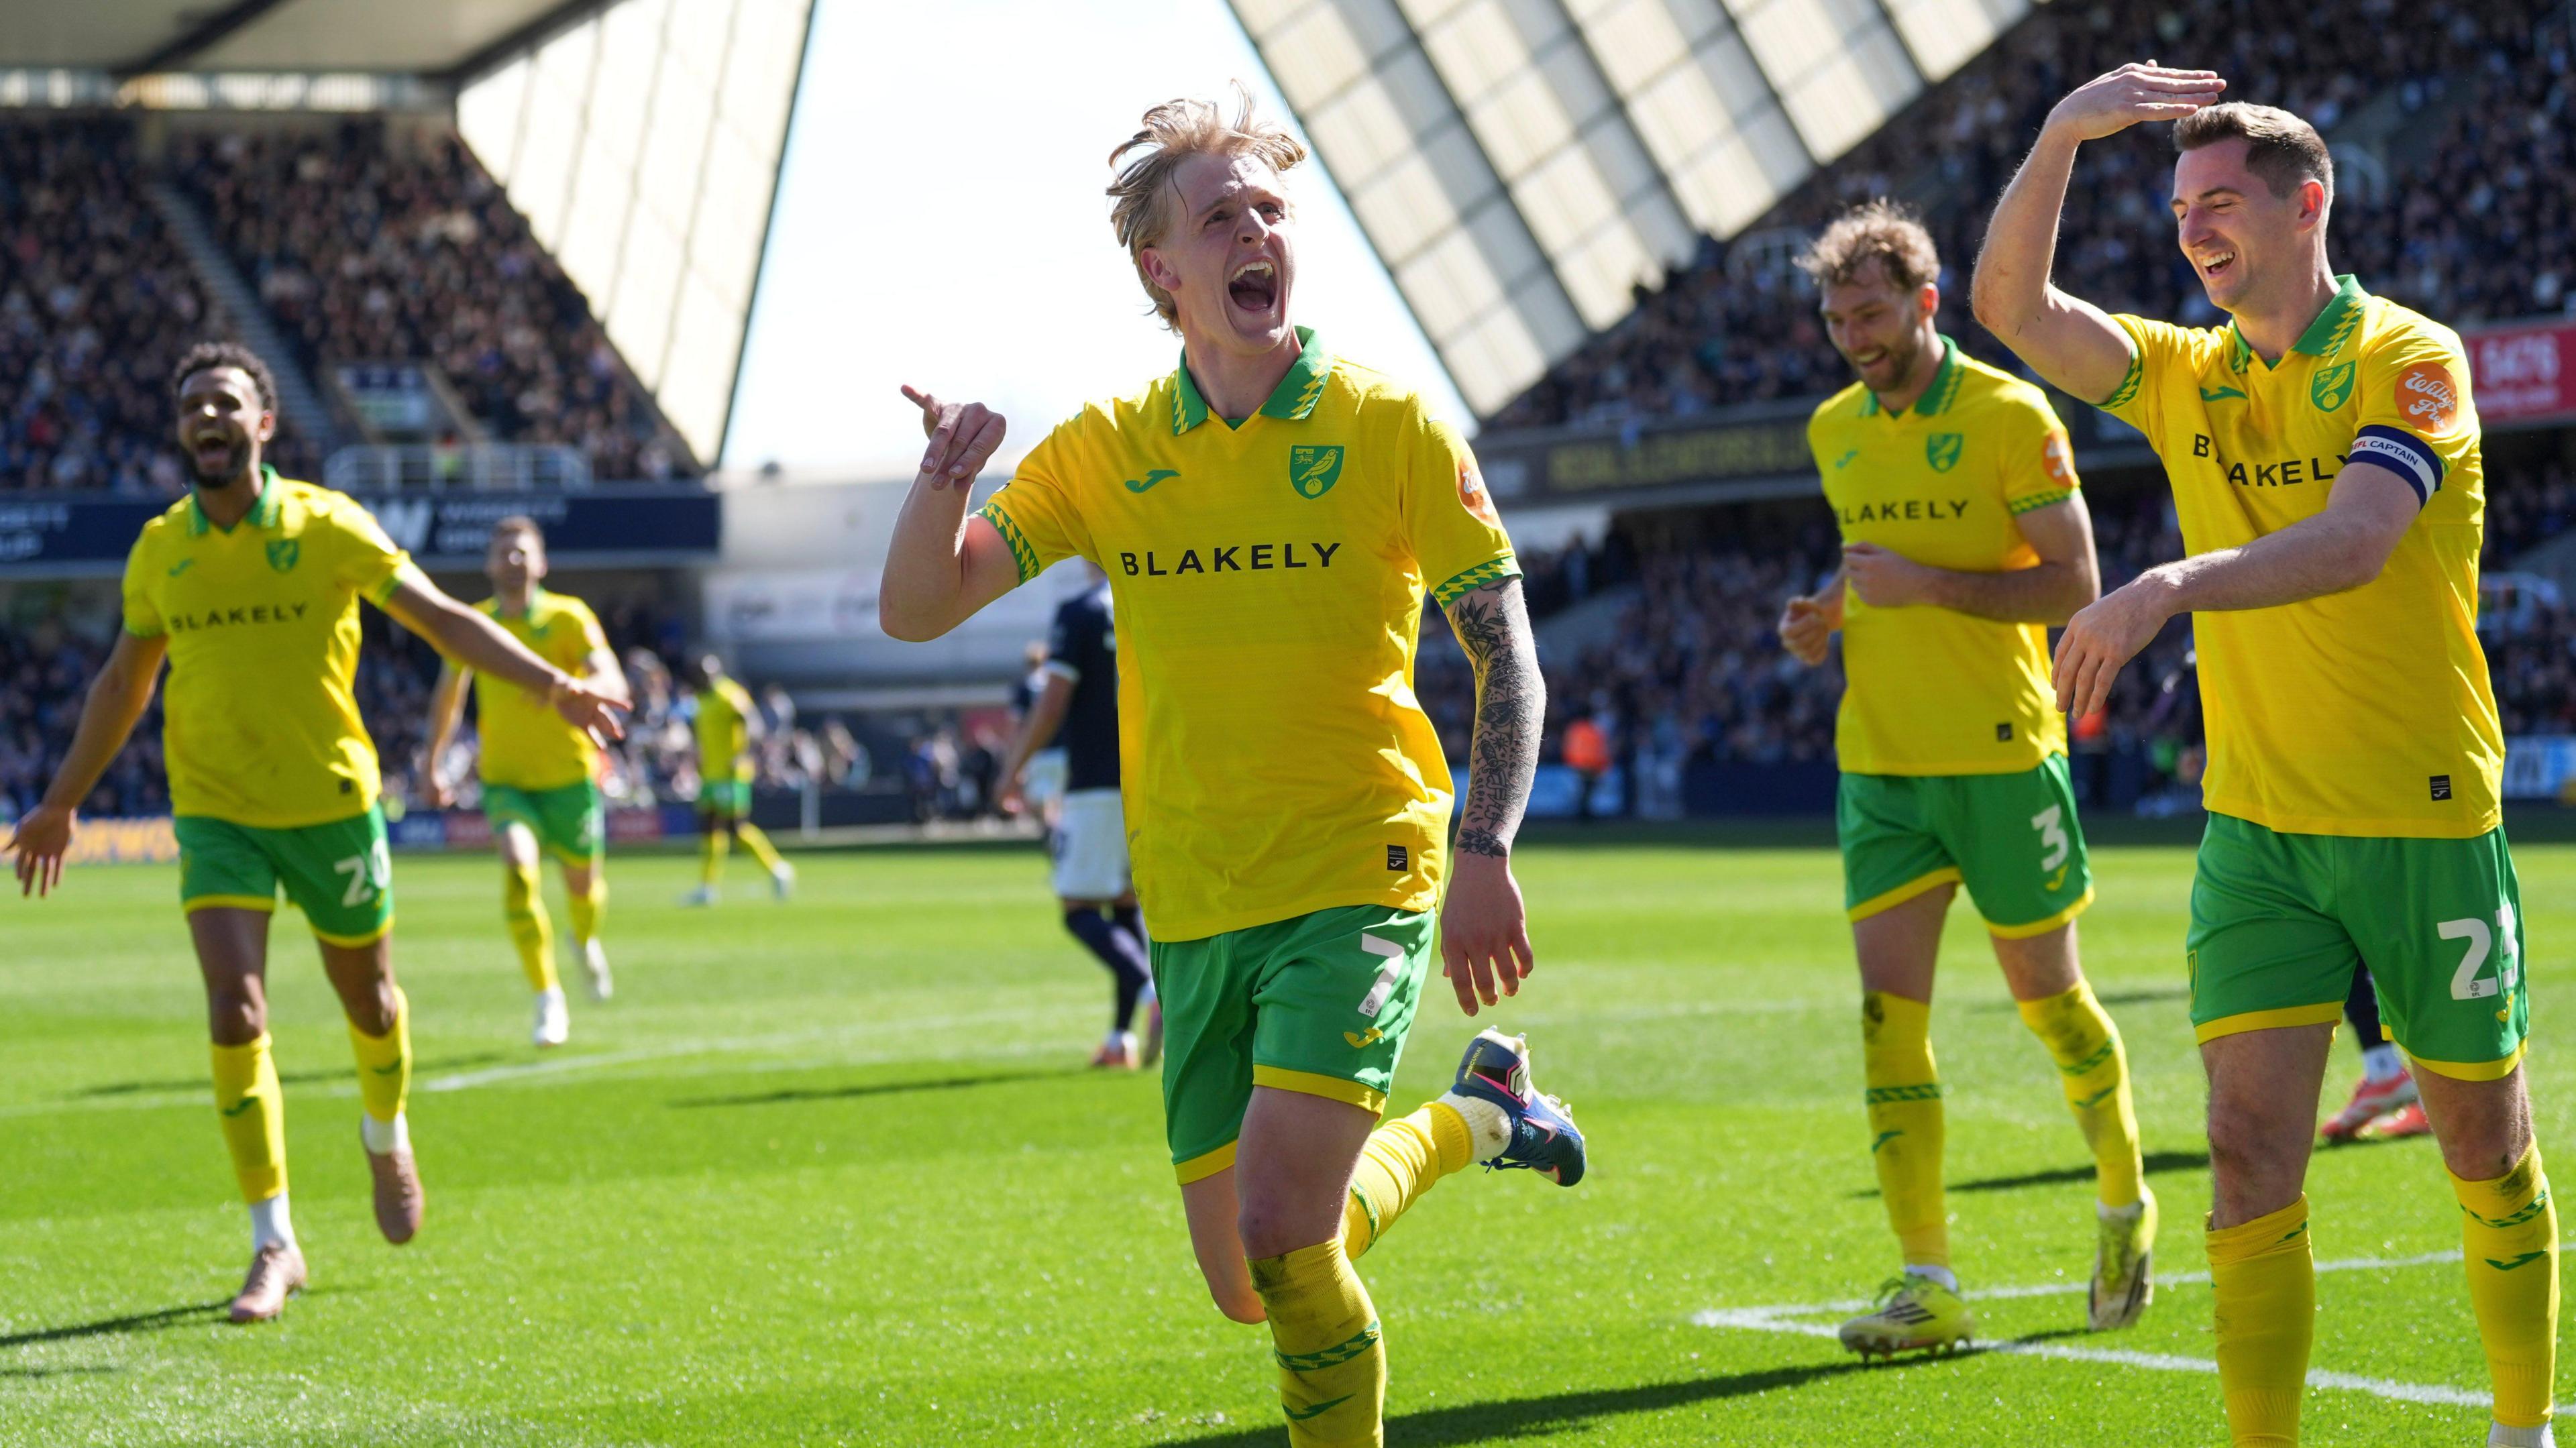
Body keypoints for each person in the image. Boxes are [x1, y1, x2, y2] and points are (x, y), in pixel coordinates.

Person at [877, 92, 1583, 1447]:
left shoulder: (1392, 428)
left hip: (1359, 863)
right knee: (1251, 1281)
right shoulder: (1107, 450)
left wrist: (1482, 848)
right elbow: (920, 605)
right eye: (1222, 216)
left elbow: (1509, 657)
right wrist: (941, 485)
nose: (1258, 231)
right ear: (1164, 269)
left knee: (1278, 1229)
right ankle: (1477, 1117)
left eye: (1270, 208)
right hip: (1196, 895)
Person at [1977, 77, 2553, 1447]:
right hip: (2256, 836)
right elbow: (2008, 307)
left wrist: (2165, 583)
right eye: (2181, 212)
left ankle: (2524, 1428)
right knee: (2244, 1157)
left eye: (2220, 203)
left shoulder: (2412, 357)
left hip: (2421, 817)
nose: (2194, 234)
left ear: (2309, 205)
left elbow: (2358, 539)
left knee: (2483, 1143)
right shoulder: (2189, 368)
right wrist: (2062, 132)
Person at [4, 342, 624, 1323]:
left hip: (332, 802)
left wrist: (552, 685)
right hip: (215, 811)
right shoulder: (162, 548)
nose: (207, 418)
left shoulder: (328, 524)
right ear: (181, 430)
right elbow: (124, 683)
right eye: (192, 405)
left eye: (225, 402)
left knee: (371, 1003)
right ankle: (273, 1239)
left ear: (263, 424)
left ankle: (386, 1132)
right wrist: (60, 801)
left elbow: (438, 618)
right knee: (235, 1009)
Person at [1776, 201, 2151, 1357]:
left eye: (1873, 313)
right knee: (1889, 1024)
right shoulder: (1835, 428)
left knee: (2051, 1003)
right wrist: (1829, 614)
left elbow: (2073, 583)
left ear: (1927, 303)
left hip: (2001, 759)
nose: (1855, 336)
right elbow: (1867, 559)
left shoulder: (2008, 413)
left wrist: (1924, 587)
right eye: (1839, 319)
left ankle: (2125, 1200)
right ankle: (1928, 1281)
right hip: (1881, 769)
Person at [420, 517, 630, 1047]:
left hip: (569, 779)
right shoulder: (476, 625)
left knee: (583, 890)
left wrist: (578, 689)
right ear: (489, 564)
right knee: (518, 870)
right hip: (506, 781)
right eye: (503, 553)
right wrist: (432, 763)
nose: (512, 561)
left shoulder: (568, 617)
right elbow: (450, 696)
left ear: (541, 563)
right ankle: (547, 996)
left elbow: (611, 677)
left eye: (522, 553)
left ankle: (583, 941)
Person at [995, 565, 1161, 1069]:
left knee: (1078, 907)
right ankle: (1118, 1041)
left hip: (1096, 784)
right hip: (1151, 781)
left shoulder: (1083, 610)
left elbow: (1051, 706)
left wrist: (1011, 769)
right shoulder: (1152, 599)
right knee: (1125, 906)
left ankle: (1158, 1000)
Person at [680, 653, 793, 905]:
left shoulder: (729, 694)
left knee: (736, 828)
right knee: (709, 827)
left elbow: (753, 724)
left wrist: (741, 755)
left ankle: (777, 869)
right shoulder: (702, 699)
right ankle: (707, 888)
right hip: (710, 773)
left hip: (731, 774)